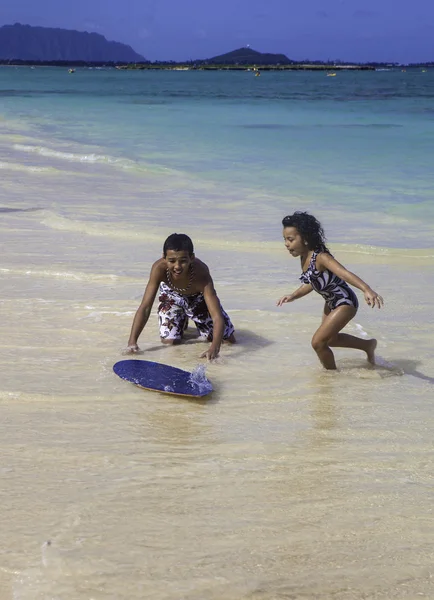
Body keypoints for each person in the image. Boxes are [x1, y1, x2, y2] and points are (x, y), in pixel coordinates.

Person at [277, 211, 384, 370]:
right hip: (331, 302)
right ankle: (367, 345)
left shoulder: (320, 256)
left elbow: (344, 273)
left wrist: (367, 289)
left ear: (305, 239)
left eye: (290, 239)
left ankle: (331, 376)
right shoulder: (303, 257)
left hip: (345, 302)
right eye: (285, 239)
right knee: (330, 340)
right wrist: (293, 295)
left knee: (318, 342)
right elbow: (312, 283)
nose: (286, 244)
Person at [125, 233, 235, 360]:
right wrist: (132, 342)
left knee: (228, 341)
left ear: (192, 258)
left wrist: (214, 348)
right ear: (164, 258)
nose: (177, 266)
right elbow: (145, 307)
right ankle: (181, 320)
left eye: (183, 261)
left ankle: (186, 319)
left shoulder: (202, 273)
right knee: (170, 342)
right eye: (171, 261)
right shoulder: (158, 269)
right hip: (172, 296)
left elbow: (216, 316)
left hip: (199, 299)